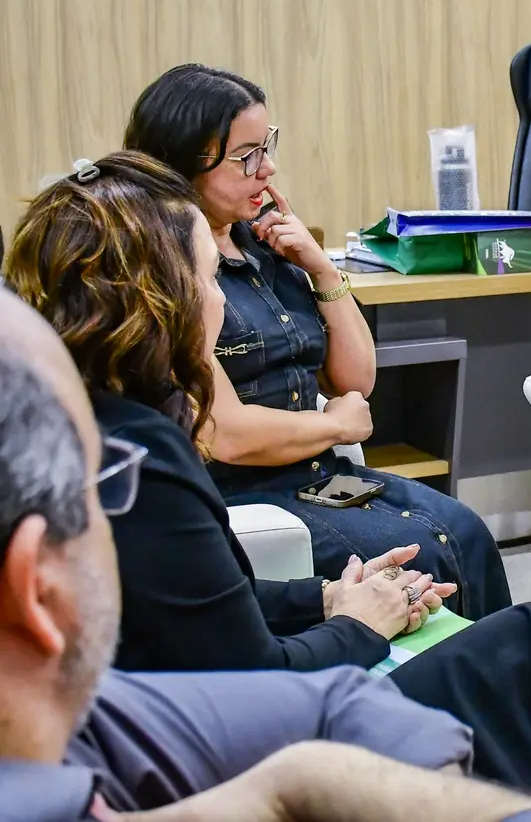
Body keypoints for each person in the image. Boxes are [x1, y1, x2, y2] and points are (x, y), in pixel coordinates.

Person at [0, 187, 531, 822]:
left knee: (521, 634)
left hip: (248, 718)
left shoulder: (93, 432)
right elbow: (257, 679)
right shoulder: (142, 461)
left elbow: (199, 612)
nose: (221, 298)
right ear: (159, 301)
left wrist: (324, 595)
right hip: (266, 740)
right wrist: (358, 624)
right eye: (208, 278)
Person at [122, 64, 510, 620]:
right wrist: (336, 426)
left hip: (320, 475)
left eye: (267, 147)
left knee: (465, 532)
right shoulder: (166, 273)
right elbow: (222, 434)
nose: (267, 168)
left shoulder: (265, 245)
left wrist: (322, 270)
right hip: (244, 491)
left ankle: (490, 675)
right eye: (246, 156)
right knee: (423, 557)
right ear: (180, 162)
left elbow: (356, 380)